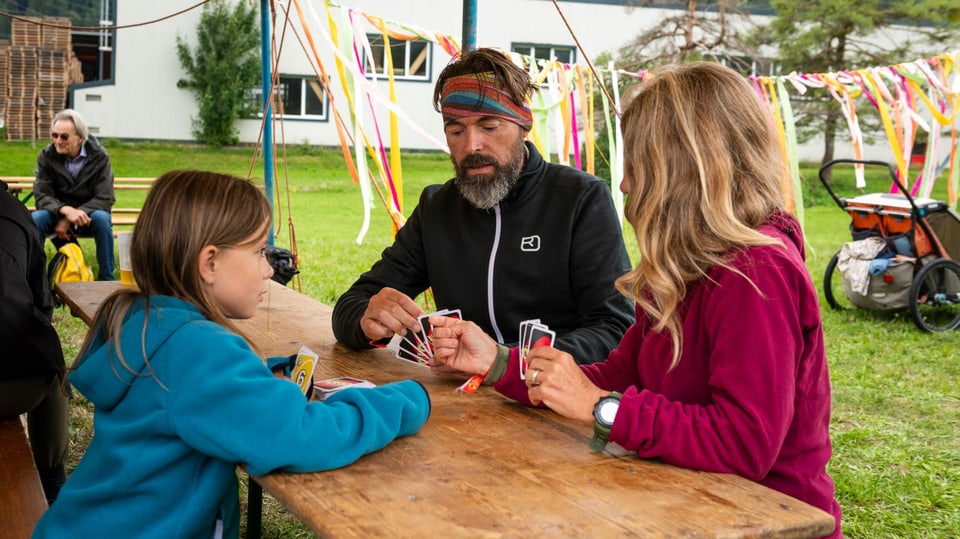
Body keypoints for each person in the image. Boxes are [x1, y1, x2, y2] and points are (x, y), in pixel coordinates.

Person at [429, 62, 842, 538]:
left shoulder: (756, 273)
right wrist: (499, 362)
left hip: (767, 520)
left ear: (690, 166)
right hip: (689, 505)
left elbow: (745, 443)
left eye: (639, 163)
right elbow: (619, 375)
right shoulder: (684, 267)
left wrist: (604, 408)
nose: (624, 184)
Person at [32, 170, 431, 538]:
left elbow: (196, 393)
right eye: (259, 251)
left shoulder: (145, 318)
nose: (268, 270)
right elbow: (299, 437)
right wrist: (407, 399)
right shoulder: (197, 349)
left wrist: (265, 374)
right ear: (209, 263)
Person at [332, 48, 634, 363]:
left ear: (523, 125)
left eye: (489, 127)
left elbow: (615, 329)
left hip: (553, 399)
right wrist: (365, 320)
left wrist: (504, 362)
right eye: (456, 130)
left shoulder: (580, 199)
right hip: (462, 401)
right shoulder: (437, 208)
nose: (471, 145)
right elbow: (351, 305)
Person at [0, 181, 70, 505]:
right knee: (48, 358)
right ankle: (52, 479)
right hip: (16, 387)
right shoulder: (14, 213)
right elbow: (42, 307)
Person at [32, 109, 116, 280]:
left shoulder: (100, 157)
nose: (57, 141)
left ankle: (107, 280)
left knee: (102, 219)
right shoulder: (46, 155)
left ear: (80, 138)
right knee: (37, 218)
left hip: (89, 214)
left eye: (64, 136)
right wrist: (66, 211)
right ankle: (33, 279)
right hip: (56, 212)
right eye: (54, 135)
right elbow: (42, 195)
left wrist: (71, 216)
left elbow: (105, 197)